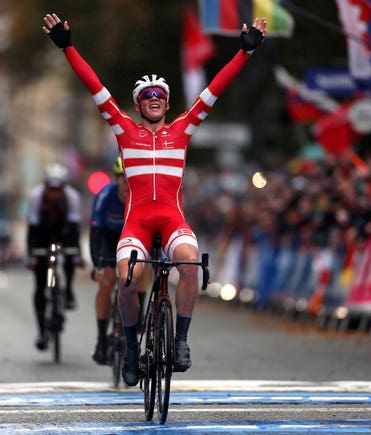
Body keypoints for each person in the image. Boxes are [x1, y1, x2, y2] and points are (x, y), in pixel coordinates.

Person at [42, 12, 267, 385]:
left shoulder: (183, 128)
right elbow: (94, 86)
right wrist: (68, 48)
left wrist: (245, 53)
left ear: (167, 102)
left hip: (172, 218)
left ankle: (180, 343)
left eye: (160, 95)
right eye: (147, 96)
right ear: (138, 104)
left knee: (190, 263)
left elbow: (215, 89)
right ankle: (131, 349)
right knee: (128, 280)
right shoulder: (124, 130)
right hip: (138, 222)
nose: (155, 100)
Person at [89, 156, 146, 365]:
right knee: (106, 281)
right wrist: (97, 265)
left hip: (133, 238)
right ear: (116, 179)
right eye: (123, 179)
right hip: (107, 239)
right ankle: (102, 339)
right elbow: (94, 233)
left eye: (131, 180)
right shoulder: (105, 195)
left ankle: (139, 307)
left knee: (144, 265)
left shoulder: (142, 197)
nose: (126, 184)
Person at [25, 163, 84, 351]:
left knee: (70, 256)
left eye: (58, 189)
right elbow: (32, 231)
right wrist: (31, 256)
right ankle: (42, 331)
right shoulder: (35, 197)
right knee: (40, 285)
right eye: (51, 189)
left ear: (64, 187)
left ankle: (67, 292)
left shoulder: (72, 197)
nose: (54, 193)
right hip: (41, 233)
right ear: (45, 186)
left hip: (64, 232)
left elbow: (75, 230)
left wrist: (77, 254)